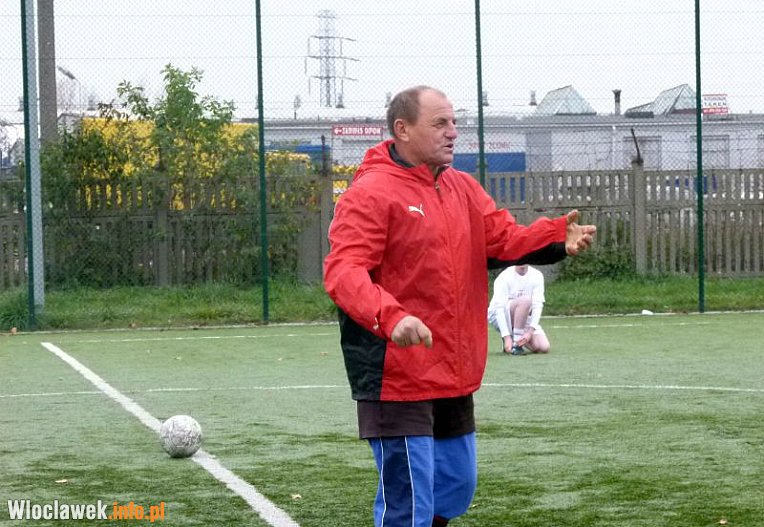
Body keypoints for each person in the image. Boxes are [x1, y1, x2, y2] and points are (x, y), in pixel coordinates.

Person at [323, 85, 595, 527]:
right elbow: (344, 271)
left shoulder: (462, 187)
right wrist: (392, 317)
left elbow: (503, 239)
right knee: (410, 501)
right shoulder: (370, 192)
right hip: (397, 376)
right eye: (440, 123)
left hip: (453, 370)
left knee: (455, 487)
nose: (452, 132)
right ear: (402, 129)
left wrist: (553, 236)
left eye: (454, 122)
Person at [488, 264, 550, 355]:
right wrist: (506, 336)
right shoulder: (504, 276)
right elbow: (499, 308)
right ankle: (516, 345)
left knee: (543, 347)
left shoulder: (537, 275)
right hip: (497, 316)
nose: (522, 261)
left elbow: (537, 305)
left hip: (523, 315)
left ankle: (514, 335)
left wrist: (530, 332)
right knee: (525, 301)